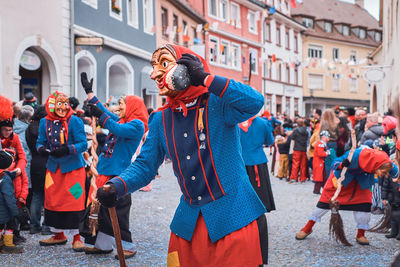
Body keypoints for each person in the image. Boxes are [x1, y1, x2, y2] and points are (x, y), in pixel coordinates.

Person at [96, 44, 266, 266]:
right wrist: (118, 185)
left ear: (187, 69)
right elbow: (145, 165)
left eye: (164, 64)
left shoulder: (218, 104)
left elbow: (255, 102)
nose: (154, 74)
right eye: (154, 66)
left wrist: (206, 79)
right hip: (189, 223)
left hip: (234, 218)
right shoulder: (160, 119)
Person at [81, 72, 148, 259]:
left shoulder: (137, 125)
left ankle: (128, 246)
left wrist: (101, 115)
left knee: (119, 213)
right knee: (101, 211)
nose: (118, 108)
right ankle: (102, 245)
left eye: (121, 104)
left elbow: (116, 127)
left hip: (119, 175)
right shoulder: (123, 119)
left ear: (132, 106)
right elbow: (105, 112)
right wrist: (90, 92)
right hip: (106, 172)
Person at [295, 147, 398, 245]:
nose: (383, 175)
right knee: (324, 203)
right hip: (342, 180)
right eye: (383, 173)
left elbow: (395, 172)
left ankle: (361, 234)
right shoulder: (354, 155)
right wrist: (341, 165)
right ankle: (308, 228)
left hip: (361, 183)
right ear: (376, 166)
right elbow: (334, 163)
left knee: (365, 206)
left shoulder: (384, 163)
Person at [36, 92, 87, 251]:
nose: (63, 108)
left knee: (75, 200)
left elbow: (83, 144)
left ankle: (77, 237)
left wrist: (67, 149)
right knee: (53, 201)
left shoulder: (75, 121)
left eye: (65, 104)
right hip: (53, 169)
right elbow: (40, 141)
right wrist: (41, 149)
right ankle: (58, 234)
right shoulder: (44, 122)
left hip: (73, 169)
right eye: (59, 104)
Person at [239, 114, 275, 265]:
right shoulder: (262, 122)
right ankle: (258, 254)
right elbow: (270, 141)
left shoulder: (234, 121)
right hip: (257, 165)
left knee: (240, 207)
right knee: (259, 208)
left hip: (239, 164)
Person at [0, 112, 29, 244]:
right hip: (3, 174)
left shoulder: (15, 138)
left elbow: (22, 157)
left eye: (10, 130)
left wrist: (19, 169)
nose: (7, 132)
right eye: (5, 130)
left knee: (15, 205)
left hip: (14, 174)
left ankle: (14, 234)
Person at [25, 105, 51, 235]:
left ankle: (34, 225)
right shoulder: (46, 128)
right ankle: (46, 226)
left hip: (35, 163)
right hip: (46, 162)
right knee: (48, 196)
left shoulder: (29, 128)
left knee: (36, 195)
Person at [0, 151, 23, 253]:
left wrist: (13, 174)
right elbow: (8, 196)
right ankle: (8, 246)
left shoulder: (3, 176)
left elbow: (7, 173)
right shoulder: (6, 179)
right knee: (11, 226)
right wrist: (15, 211)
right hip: (5, 210)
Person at [289, 118, 309, 184]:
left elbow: (292, 138)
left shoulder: (296, 130)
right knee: (303, 165)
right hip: (303, 149)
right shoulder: (306, 131)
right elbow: (307, 139)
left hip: (297, 149)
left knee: (295, 164)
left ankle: (294, 178)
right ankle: (302, 179)